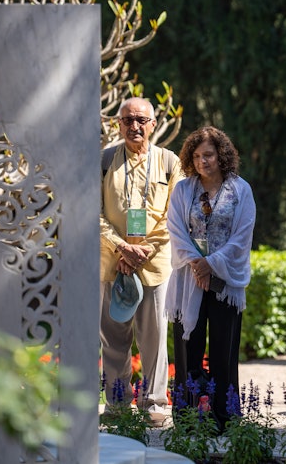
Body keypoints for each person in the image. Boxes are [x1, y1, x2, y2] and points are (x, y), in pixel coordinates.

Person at [165, 126, 256, 428]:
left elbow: (242, 237)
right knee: (187, 348)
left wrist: (211, 264)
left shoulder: (241, 190)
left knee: (223, 351)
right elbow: (176, 231)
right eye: (197, 155)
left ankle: (224, 417)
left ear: (221, 155)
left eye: (209, 154)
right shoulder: (183, 189)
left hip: (225, 283)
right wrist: (196, 264)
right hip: (188, 282)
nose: (203, 161)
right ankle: (187, 418)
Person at [100, 97, 182, 425]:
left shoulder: (168, 161)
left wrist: (142, 250)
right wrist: (122, 247)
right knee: (114, 338)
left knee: (154, 339)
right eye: (127, 120)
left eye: (141, 120)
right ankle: (118, 407)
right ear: (118, 124)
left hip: (154, 265)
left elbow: (174, 215)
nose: (134, 126)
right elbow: (95, 213)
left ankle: (155, 405)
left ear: (153, 124)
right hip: (111, 263)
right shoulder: (104, 160)